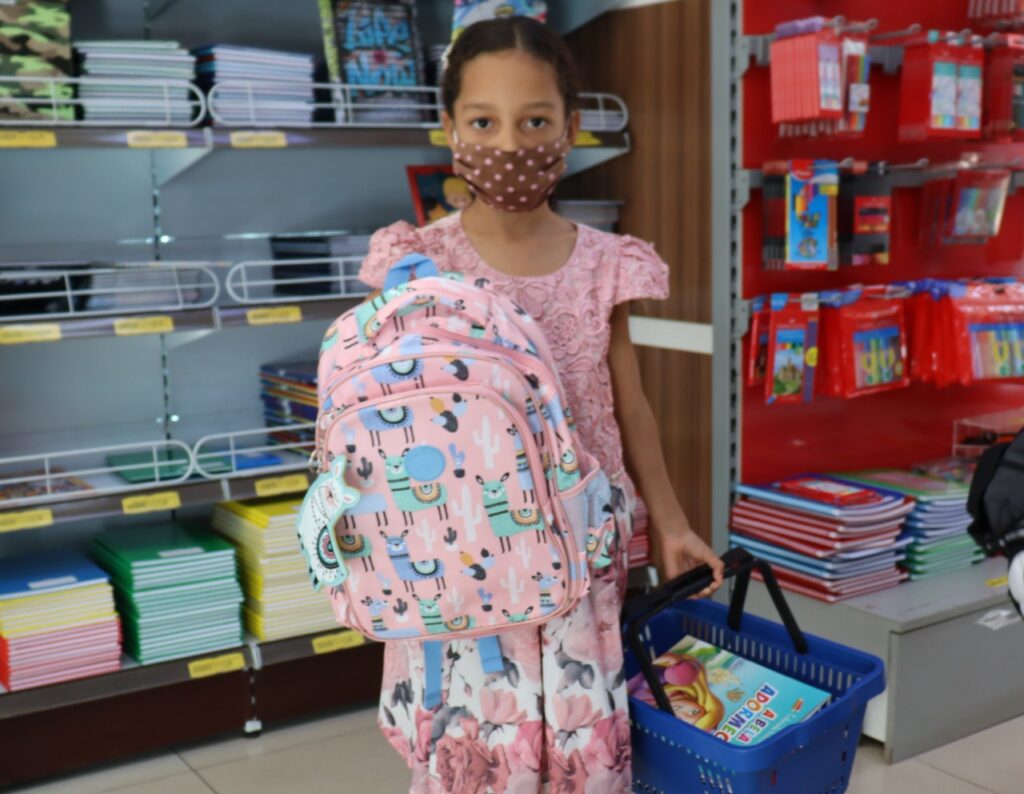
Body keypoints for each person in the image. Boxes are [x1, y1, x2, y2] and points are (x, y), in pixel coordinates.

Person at [356, 16, 724, 792]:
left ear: (571, 126)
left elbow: (629, 401)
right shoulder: (420, 260)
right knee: (473, 751)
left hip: (582, 547)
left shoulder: (605, 263)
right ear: (449, 127)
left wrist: (671, 522)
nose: (510, 144)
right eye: (483, 122)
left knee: (581, 747)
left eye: (534, 122)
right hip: (462, 554)